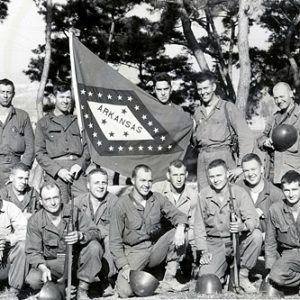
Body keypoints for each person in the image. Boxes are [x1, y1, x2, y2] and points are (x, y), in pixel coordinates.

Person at [110, 164, 189, 298]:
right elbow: (114, 241)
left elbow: (179, 215)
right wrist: (124, 267)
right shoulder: (121, 205)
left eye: (149, 181)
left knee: (181, 232)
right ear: (133, 181)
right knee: (125, 292)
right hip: (134, 253)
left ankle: (169, 279)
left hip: (154, 250)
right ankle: (121, 278)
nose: (146, 185)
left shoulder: (157, 198)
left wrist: (181, 228)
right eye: (142, 180)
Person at [194, 159, 262, 293]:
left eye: (219, 175)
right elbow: (199, 225)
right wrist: (204, 250)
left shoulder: (239, 192)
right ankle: (225, 271)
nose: (215, 180)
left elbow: (253, 218)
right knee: (206, 279)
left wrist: (242, 226)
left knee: (256, 235)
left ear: (226, 174)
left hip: (237, 240)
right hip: (215, 243)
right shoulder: (203, 195)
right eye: (212, 176)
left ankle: (242, 275)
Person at [25, 183, 102, 299]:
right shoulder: (35, 221)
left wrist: (81, 235)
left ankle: (82, 289)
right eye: (47, 199)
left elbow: (96, 232)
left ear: (61, 197)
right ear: (41, 201)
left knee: (94, 246)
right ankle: (60, 288)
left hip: (76, 263)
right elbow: (33, 252)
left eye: (55, 197)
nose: (53, 203)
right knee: (33, 280)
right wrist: (43, 267)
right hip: (53, 265)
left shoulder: (75, 212)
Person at [192, 71, 254, 190]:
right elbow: (195, 142)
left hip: (223, 157)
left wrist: (241, 166)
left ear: (213, 87)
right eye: (199, 89)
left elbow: (246, 136)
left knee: (227, 197)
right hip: (202, 160)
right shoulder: (198, 112)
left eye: (206, 88)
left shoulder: (228, 107)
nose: (203, 92)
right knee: (205, 199)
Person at [35, 84, 90, 202]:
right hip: (55, 173)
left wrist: (80, 164)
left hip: (77, 172)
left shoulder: (78, 122)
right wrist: (58, 170)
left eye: (68, 98)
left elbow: (88, 148)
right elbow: (39, 153)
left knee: (84, 205)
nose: (65, 101)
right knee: (58, 207)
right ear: (54, 98)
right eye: (62, 97)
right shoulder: (43, 123)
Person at [74, 168, 118, 294]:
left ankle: (105, 279)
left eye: (103, 183)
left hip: (104, 245)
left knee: (112, 238)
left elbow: (115, 227)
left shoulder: (113, 201)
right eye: (96, 183)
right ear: (88, 185)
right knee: (92, 246)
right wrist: (84, 236)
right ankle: (82, 282)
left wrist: (92, 234)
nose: (100, 186)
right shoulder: (77, 202)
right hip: (84, 247)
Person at [152, 160, 197, 273]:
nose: (178, 179)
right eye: (175, 175)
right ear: (168, 175)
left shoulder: (193, 196)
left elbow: (193, 226)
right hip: (158, 239)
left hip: (181, 241)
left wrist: (189, 249)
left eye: (181, 175)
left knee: (185, 232)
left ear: (186, 175)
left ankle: (171, 273)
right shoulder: (157, 189)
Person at [257, 82, 300, 185]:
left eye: (282, 96)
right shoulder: (274, 117)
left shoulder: (298, 116)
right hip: (272, 172)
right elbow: (260, 138)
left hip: (293, 175)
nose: (279, 101)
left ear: (290, 94)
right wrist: (265, 142)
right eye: (276, 98)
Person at [265, 170, 300, 293]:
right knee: (276, 276)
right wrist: (270, 268)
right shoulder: (275, 210)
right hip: (289, 254)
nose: (291, 194)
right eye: (287, 190)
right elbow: (270, 241)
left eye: (294, 190)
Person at [0, 78, 35, 186]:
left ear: (13, 94)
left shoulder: (22, 116)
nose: (5, 96)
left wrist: (20, 171)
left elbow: (31, 146)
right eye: (2, 92)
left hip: (14, 167)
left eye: (8, 92)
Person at [237, 153, 283, 233]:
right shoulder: (237, 189)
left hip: (267, 241)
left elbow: (282, 227)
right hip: (243, 239)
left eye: (253, 169)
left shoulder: (276, 194)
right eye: (246, 171)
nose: (250, 174)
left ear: (262, 169)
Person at [0, 198, 27, 298]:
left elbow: (25, 232)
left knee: (23, 246)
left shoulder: (10, 208)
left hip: (6, 261)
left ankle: (14, 291)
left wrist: (7, 239)